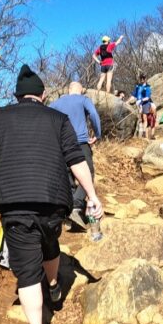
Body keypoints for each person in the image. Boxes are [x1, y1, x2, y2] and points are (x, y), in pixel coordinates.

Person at [0, 65, 103, 324]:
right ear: (43, 94)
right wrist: (91, 196)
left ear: (17, 95)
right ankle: (52, 286)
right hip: (52, 202)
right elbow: (77, 159)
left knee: (26, 272)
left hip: (13, 204)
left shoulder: (0, 117)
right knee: (50, 242)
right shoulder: (58, 119)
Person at [49, 81, 102, 226]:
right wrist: (97, 133)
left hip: (61, 145)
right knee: (88, 172)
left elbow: (46, 117)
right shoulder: (83, 99)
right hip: (80, 143)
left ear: (69, 89)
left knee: (68, 178)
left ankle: (70, 212)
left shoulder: (56, 103)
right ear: (80, 90)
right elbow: (93, 114)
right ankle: (77, 205)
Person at [132, 73, 156, 139]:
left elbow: (147, 97)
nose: (142, 80)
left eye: (143, 78)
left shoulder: (147, 87)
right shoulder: (138, 86)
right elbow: (134, 95)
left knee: (146, 118)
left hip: (145, 103)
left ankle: (146, 133)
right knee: (140, 119)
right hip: (138, 104)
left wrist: (141, 101)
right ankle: (139, 134)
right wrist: (128, 102)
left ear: (145, 79)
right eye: (141, 78)